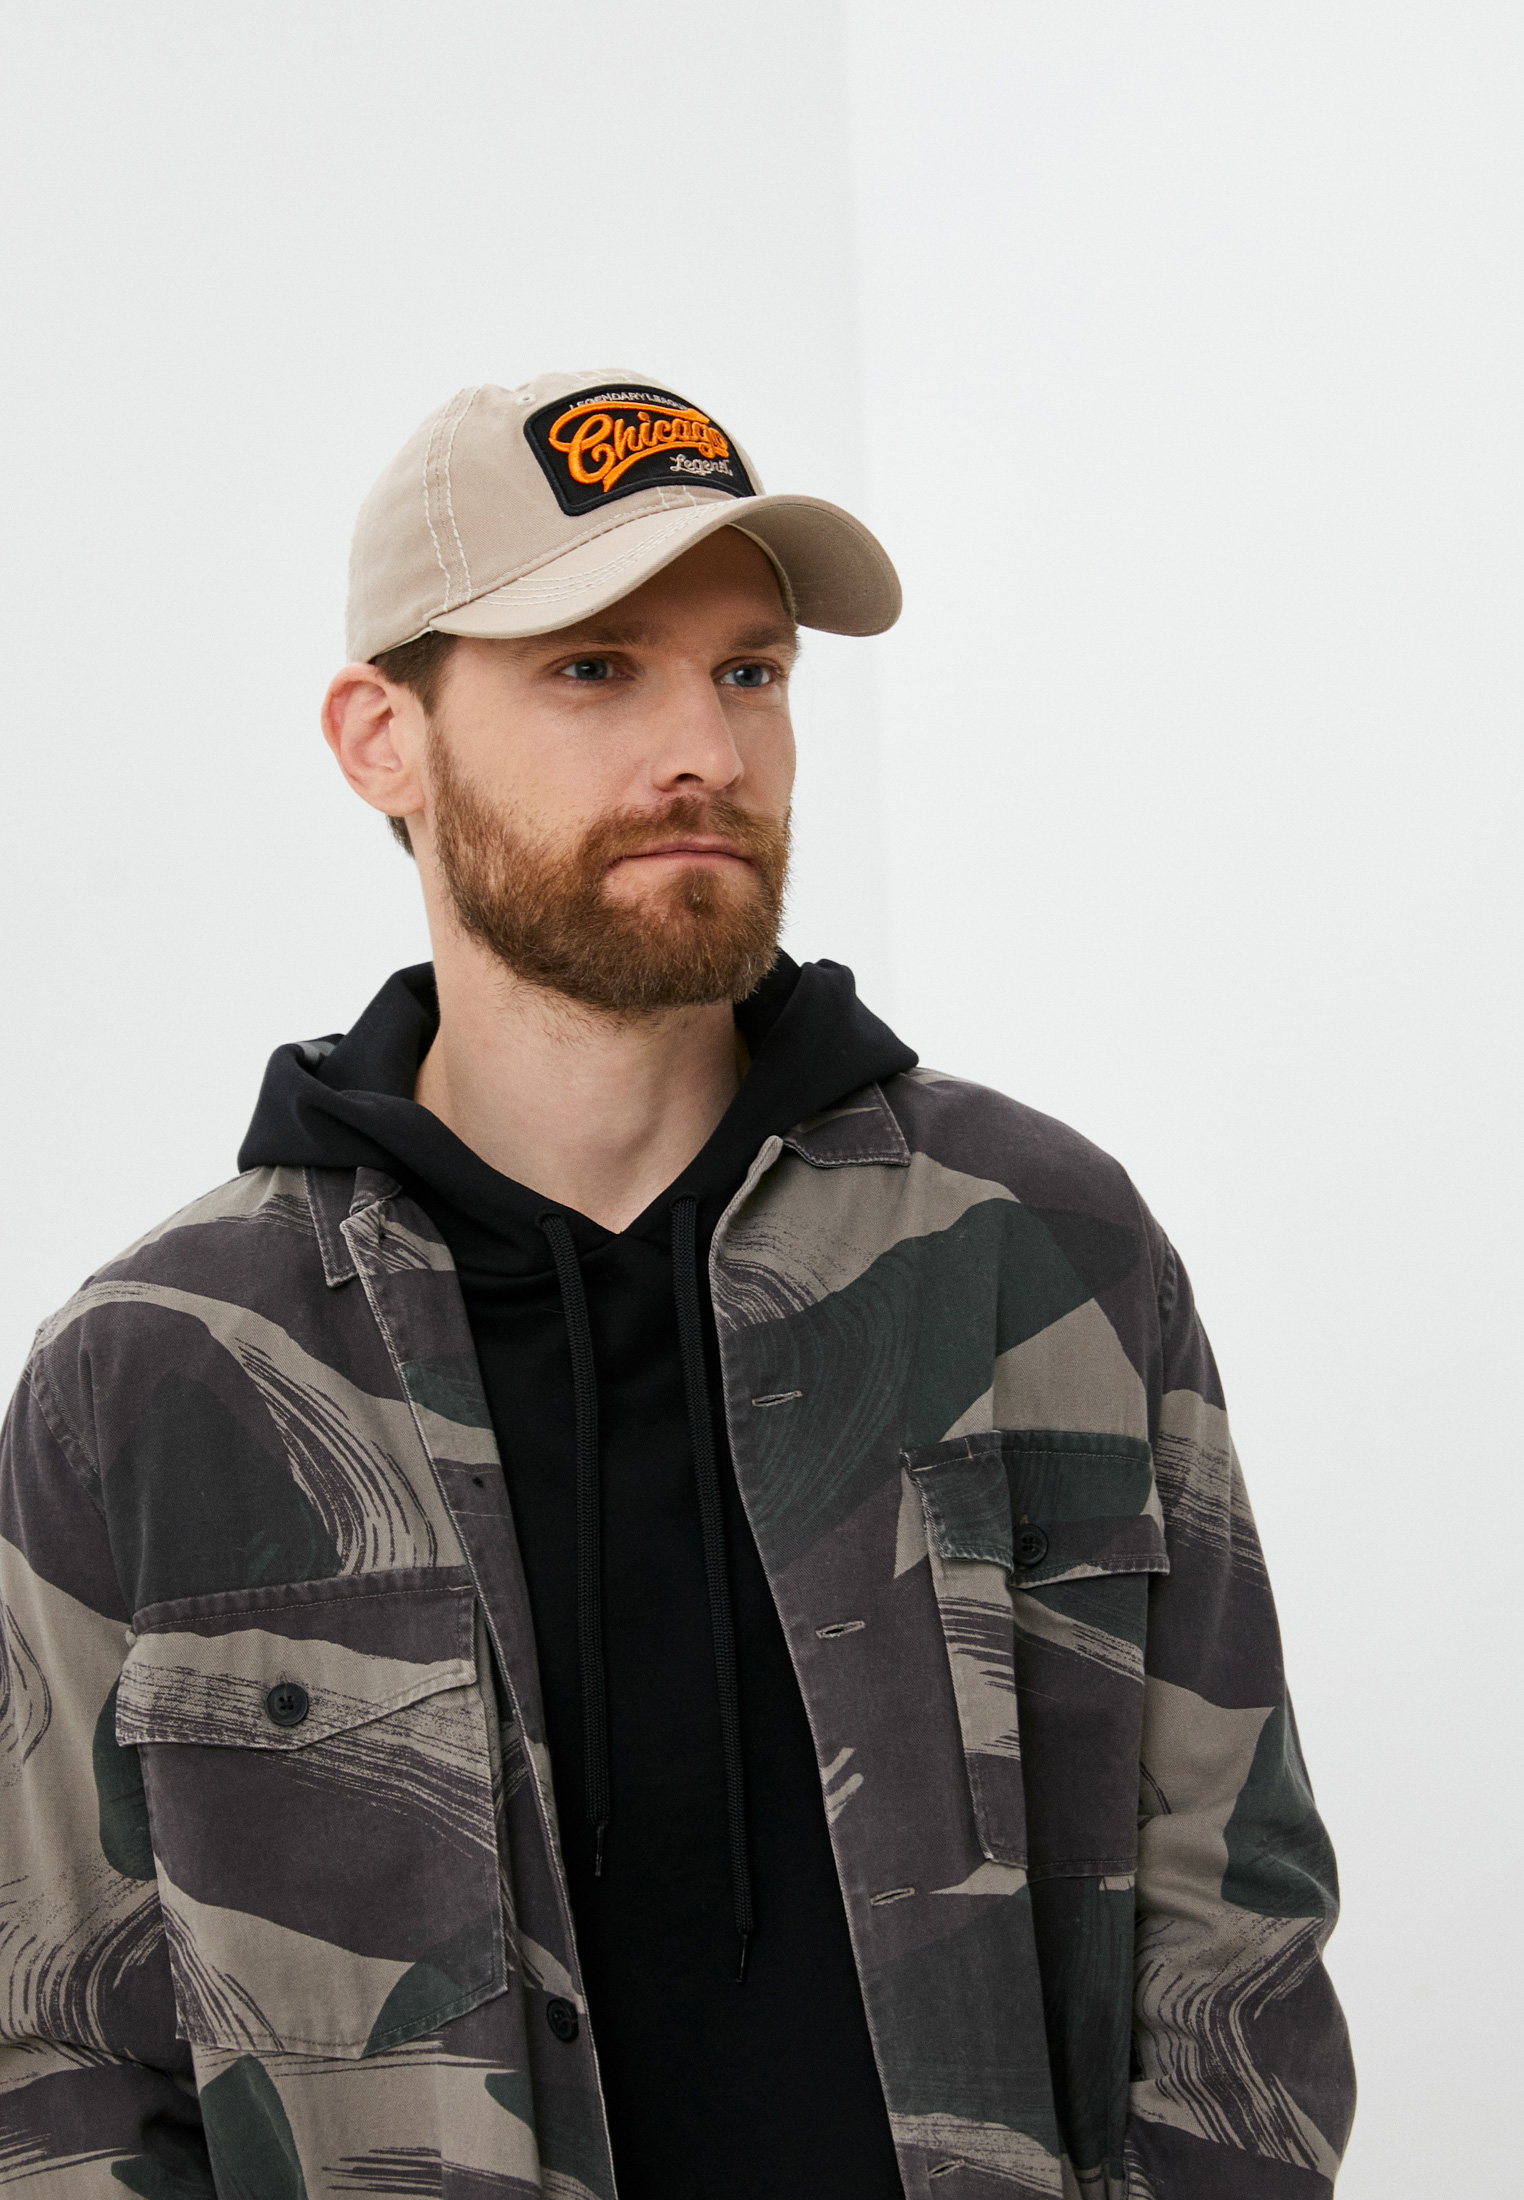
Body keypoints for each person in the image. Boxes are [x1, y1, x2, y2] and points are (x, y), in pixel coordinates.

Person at [0, 371, 1354, 2200]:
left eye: (750, 671)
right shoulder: (159, 1373)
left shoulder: (1041, 1253)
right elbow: (56, 2041)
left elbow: (1233, 1932)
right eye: (594, 668)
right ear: (382, 738)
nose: (702, 746)